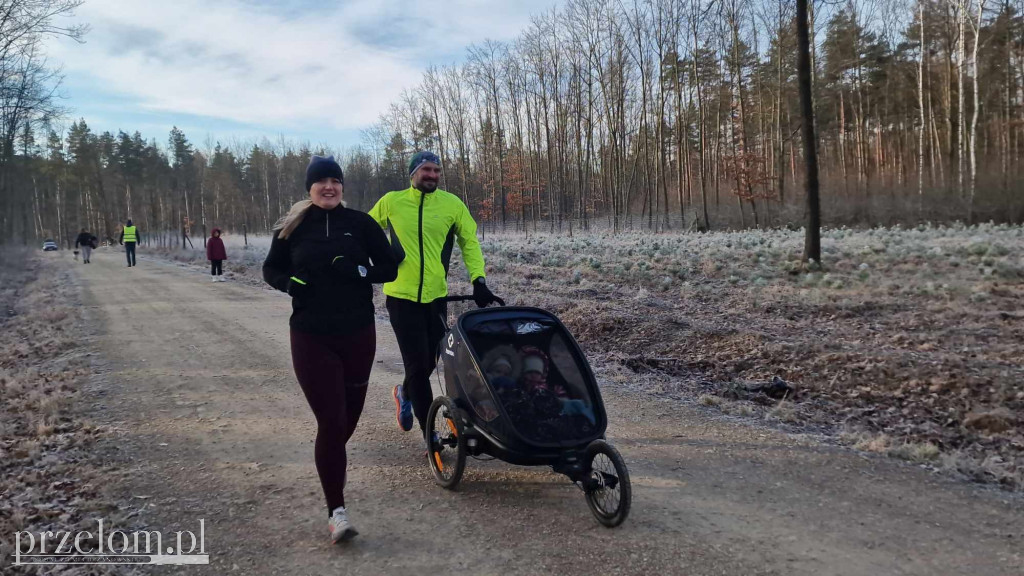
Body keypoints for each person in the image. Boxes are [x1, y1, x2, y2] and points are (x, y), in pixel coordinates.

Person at [262, 155, 397, 544]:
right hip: (310, 334)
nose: (329, 187)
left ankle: (330, 465)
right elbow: (271, 269)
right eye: (321, 181)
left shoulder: (360, 224)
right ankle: (336, 511)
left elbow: (389, 268)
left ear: (342, 187)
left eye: (335, 181)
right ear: (310, 188)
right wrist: (289, 284)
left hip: (357, 333)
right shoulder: (292, 227)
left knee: (346, 422)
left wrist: (359, 272)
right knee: (331, 421)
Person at [368, 151, 503, 446]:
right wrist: (379, 259)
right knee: (417, 366)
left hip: (436, 297)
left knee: (433, 360)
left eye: (437, 170)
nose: (432, 175)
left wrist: (478, 280)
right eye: (426, 169)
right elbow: (367, 230)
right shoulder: (392, 201)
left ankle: (404, 393)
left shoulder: (452, 204)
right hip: (401, 298)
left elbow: (469, 241)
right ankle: (429, 433)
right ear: (413, 173)